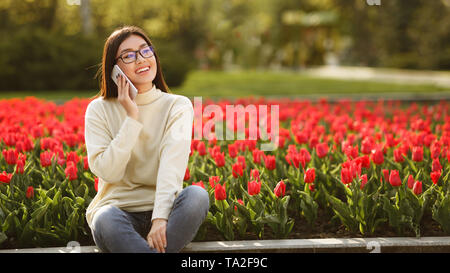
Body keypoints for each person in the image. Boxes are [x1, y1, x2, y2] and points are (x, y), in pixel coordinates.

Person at [84, 25, 209, 253]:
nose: (141, 59)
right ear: (115, 69)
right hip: (117, 215)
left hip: (166, 216)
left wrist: (160, 219)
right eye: (129, 56)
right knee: (104, 218)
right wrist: (132, 118)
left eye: (145, 51)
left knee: (197, 196)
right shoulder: (98, 110)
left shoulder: (177, 106)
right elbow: (108, 172)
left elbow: (172, 166)